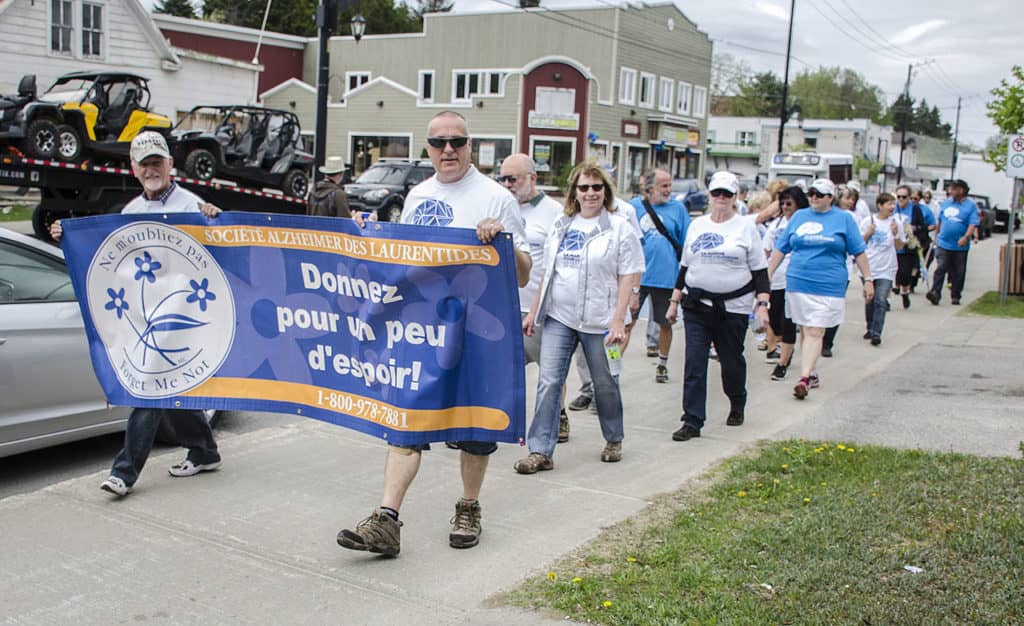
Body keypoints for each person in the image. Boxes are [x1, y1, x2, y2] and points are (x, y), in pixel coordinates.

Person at [337, 111, 531, 556]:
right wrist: (368, 238)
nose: (448, 150)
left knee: (475, 428)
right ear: (427, 148)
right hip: (420, 330)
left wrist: (501, 244)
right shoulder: (418, 194)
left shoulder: (496, 198)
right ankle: (385, 521)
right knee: (406, 421)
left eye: (457, 142)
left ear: (470, 146)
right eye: (439, 142)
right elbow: (400, 261)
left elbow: (522, 275)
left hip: (478, 329)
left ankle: (469, 506)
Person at [50, 131, 223, 498]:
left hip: (184, 315)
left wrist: (215, 219)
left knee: (149, 389)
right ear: (133, 168)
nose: (151, 170)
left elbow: (219, 251)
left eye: (157, 163)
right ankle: (205, 451)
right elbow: (112, 257)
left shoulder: (192, 205)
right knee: (170, 391)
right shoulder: (130, 212)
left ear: (170, 165)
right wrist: (65, 236)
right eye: (144, 165)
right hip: (148, 316)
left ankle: (124, 473)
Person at [516, 161, 643, 471]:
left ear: (605, 191)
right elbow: (547, 271)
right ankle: (540, 450)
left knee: (605, 382)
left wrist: (618, 320)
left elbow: (629, 274)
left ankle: (613, 437)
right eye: (583, 187)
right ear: (574, 191)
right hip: (560, 317)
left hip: (601, 322)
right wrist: (534, 312)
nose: (590, 193)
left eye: (596, 188)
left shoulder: (619, 228)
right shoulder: (562, 225)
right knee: (549, 381)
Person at [666, 171, 770, 441]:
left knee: (731, 360)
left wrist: (762, 304)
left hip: (733, 306)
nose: (721, 198)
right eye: (716, 193)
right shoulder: (698, 225)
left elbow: (760, 270)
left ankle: (737, 400)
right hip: (697, 305)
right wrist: (674, 301)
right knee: (694, 363)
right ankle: (692, 420)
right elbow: (685, 266)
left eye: (727, 194)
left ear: (735, 197)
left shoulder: (745, 227)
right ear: (710, 195)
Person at [767, 178, 874, 400]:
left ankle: (804, 378)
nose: (814, 197)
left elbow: (859, 251)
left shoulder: (844, 219)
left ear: (830, 197)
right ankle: (812, 371)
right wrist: (766, 276)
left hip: (829, 284)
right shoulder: (799, 217)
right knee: (806, 328)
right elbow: (780, 248)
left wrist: (868, 279)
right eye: (811, 193)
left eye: (819, 194)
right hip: (798, 281)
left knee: (816, 330)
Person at [498, 153, 566, 438]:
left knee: (549, 372)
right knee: (500, 369)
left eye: (513, 179)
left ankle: (558, 416)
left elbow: (558, 262)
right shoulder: (502, 207)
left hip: (538, 308)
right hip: (504, 306)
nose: (507, 184)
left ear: (533, 178)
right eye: (502, 179)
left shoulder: (554, 212)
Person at [633, 168, 690, 383]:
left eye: (669, 185)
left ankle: (662, 364)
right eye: (664, 186)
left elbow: (686, 244)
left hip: (666, 278)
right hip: (637, 277)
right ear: (649, 189)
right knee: (626, 323)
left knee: (665, 323)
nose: (669, 191)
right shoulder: (634, 207)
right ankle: (613, 367)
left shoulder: (678, 209)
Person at [763, 186, 808, 380]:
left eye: (789, 203)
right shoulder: (776, 224)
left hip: (796, 278)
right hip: (776, 279)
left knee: (788, 321)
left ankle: (783, 363)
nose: (785, 206)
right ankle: (783, 348)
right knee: (774, 319)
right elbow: (767, 248)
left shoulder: (806, 224)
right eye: (782, 203)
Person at [859, 192, 906, 345]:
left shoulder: (896, 223)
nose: (892, 207)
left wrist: (896, 234)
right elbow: (859, 244)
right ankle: (869, 326)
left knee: (881, 300)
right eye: (889, 204)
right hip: (869, 267)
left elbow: (899, 246)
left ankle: (876, 332)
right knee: (870, 299)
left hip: (887, 268)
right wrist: (868, 233)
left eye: (894, 204)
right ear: (880, 205)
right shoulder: (868, 221)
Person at [926, 179, 979, 306]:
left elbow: (973, 224)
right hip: (943, 242)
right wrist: (936, 237)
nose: (951, 191)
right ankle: (935, 293)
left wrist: (966, 237)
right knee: (941, 268)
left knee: (958, 272)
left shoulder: (970, 205)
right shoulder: (946, 203)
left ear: (961, 190)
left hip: (960, 245)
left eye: (953, 189)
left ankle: (956, 295)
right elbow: (940, 220)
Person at [893, 185, 935, 308]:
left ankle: (905, 292)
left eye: (904, 197)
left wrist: (914, 228)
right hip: (893, 246)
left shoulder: (915, 209)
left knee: (905, 273)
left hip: (908, 246)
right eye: (898, 196)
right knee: (891, 273)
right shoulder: (892, 207)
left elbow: (924, 226)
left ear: (909, 198)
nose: (901, 199)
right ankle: (886, 300)